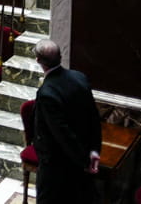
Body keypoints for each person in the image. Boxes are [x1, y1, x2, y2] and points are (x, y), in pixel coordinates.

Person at [33, 39, 102, 204]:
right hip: (82, 153)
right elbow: (94, 117)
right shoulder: (80, 77)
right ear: (60, 57)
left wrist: (84, 161)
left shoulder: (47, 93)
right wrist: (93, 151)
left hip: (56, 165)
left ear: (39, 61)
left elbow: (62, 134)